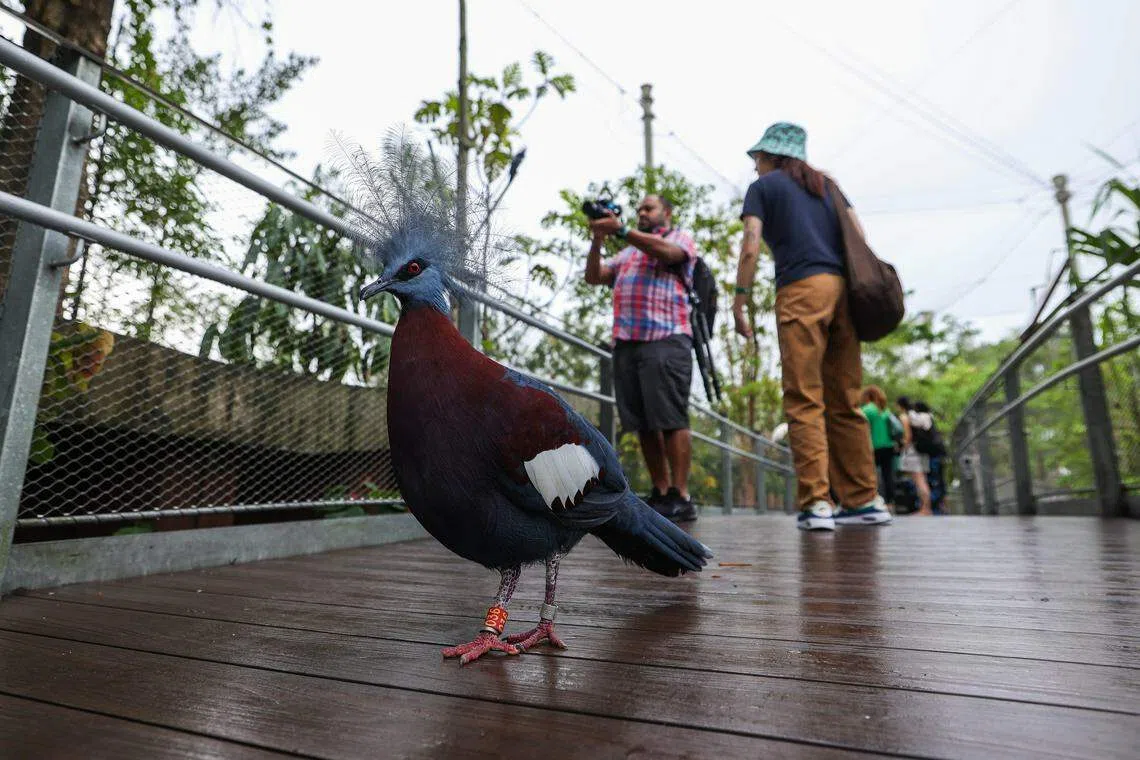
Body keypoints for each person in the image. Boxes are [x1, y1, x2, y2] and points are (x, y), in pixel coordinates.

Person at [732, 122, 891, 530]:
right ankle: (863, 500)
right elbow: (859, 235)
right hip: (843, 292)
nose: (754, 167)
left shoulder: (763, 188)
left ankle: (817, 502)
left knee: (804, 397)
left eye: (757, 158)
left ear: (771, 156)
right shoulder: (828, 187)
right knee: (846, 398)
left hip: (802, 290)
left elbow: (751, 244)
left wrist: (740, 300)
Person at [584, 194, 698, 522]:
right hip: (627, 344)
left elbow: (669, 254)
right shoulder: (628, 253)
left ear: (667, 212)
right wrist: (598, 240)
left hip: (666, 339)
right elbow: (594, 276)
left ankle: (681, 495)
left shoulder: (679, 238)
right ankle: (661, 491)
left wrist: (621, 230)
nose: (642, 213)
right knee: (642, 422)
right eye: (639, 210)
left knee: (671, 418)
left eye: (649, 208)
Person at [860, 385, 896, 513]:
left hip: (873, 446)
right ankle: (890, 503)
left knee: (869, 474)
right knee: (888, 475)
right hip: (888, 446)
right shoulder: (885, 410)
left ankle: (871, 498)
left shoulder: (867, 410)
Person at [897, 396, 933, 516]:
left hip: (913, 452)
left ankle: (925, 509)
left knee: (919, 481)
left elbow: (908, 437)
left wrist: (901, 448)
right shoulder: (916, 416)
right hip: (922, 451)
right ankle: (926, 508)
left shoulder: (905, 417)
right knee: (923, 480)